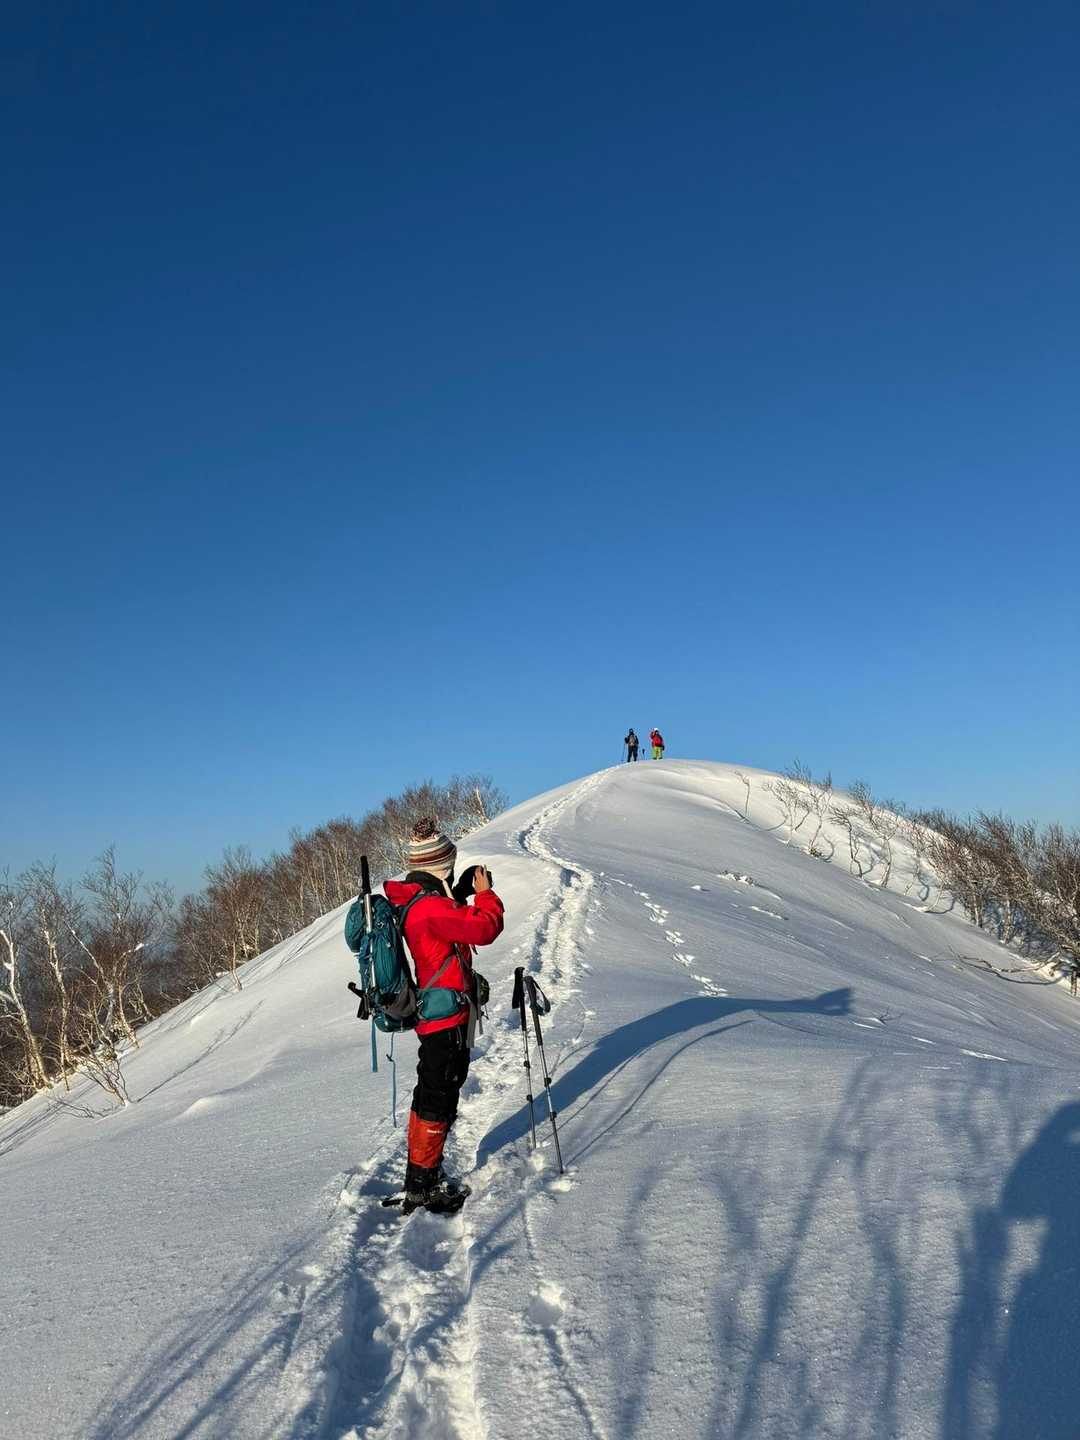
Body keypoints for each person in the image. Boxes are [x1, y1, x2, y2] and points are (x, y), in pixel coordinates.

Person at [383, 818, 504, 1212]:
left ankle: (420, 1178)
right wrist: (485, 895)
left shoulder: (417, 900)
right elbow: (484, 929)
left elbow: (444, 928)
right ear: (440, 866)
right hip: (445, 1019)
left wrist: (460, 893)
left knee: (430, 1095)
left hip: (434, 1014)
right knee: (438, 1100)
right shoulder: (430, 907)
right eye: (450, 865)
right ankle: (425, 1186)